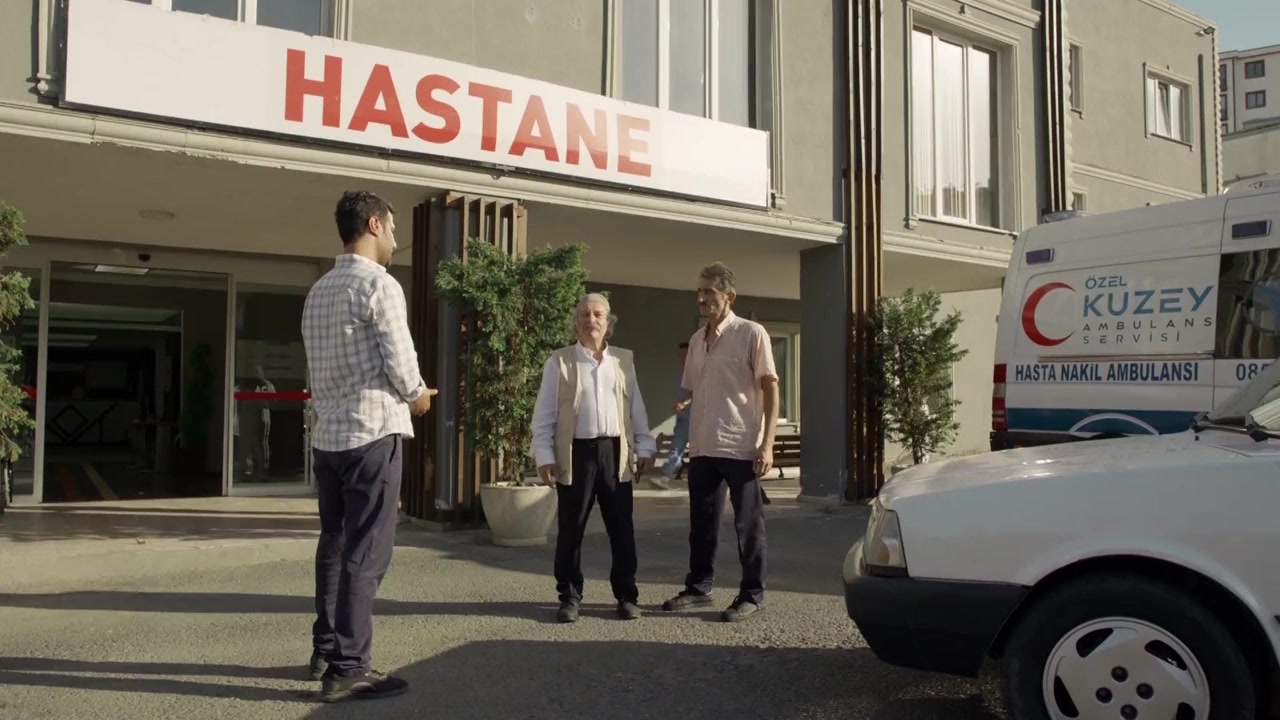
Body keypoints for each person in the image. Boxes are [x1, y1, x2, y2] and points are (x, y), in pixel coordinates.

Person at [301, 190, 437, 703]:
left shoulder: (318, 290)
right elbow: (402, 365)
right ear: (375, 225)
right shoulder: (380, 284)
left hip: (329, 437)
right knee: (367, 551)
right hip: (373, 434)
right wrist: (419, 396)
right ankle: (350, 667)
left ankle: (326, 649)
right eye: (394, 228)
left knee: (334, 544)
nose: (396, 239)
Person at [661, 262, 779, 623]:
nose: (702, 298)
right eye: (699, 291)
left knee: (748, 525)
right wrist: (684, 402)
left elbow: (770, 387)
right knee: (702, 523)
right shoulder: (697, 340)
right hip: (702, 445)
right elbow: (694, 386)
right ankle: (699, 589)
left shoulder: (751, 333)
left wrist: (767, 443)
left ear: (730, 296)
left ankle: (753, 594)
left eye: (709, 291)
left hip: (741, 445)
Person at [531, 293, 657, 623]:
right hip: (576, 454)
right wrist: (544, 456)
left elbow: (636, 407)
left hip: (615, 453)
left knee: (622, 529)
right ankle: (570, 597)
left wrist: (645, 446)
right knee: (571, 529)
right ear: (576, 323)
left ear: (608, 322)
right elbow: (544, 415)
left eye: (598, 314)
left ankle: (627, 596)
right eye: (585, 315)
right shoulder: (559, 362)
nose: (591, 320)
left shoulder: (623, 361)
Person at [656, 342, 692, 488]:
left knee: (679, 448)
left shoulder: (696, 372)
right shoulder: (683, 372)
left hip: (694, 418)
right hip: (683, 418)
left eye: (685, 354)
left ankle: (667, 476)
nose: (682, 357)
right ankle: (667, 476)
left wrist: (684, 404)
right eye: (680, 354)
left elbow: (698, 393)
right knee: (677, 448)